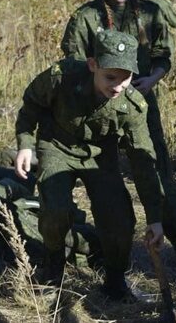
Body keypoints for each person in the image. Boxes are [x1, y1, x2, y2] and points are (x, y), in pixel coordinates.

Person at [60, 0, 176, 286]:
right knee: (109, 194)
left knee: (161, 183)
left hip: (142, 107)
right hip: (99, 113)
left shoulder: (150, 13)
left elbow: (163, 56)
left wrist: (152, 79)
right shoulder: (85, 19)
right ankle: (115, 271)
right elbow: (74, 66)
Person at [14, 30, 164, 301]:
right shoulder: (62, 76)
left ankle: (115, 281)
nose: (118, 86)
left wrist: (154, 217)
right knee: (56, 210)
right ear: (93, 65)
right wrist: (25, 143)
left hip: (99, 155)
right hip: (56, 144)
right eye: (110, 77)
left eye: (126, 78)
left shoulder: (132, 106)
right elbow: (32, 103)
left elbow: (143, 161)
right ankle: (53, 268)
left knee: (119, 217)